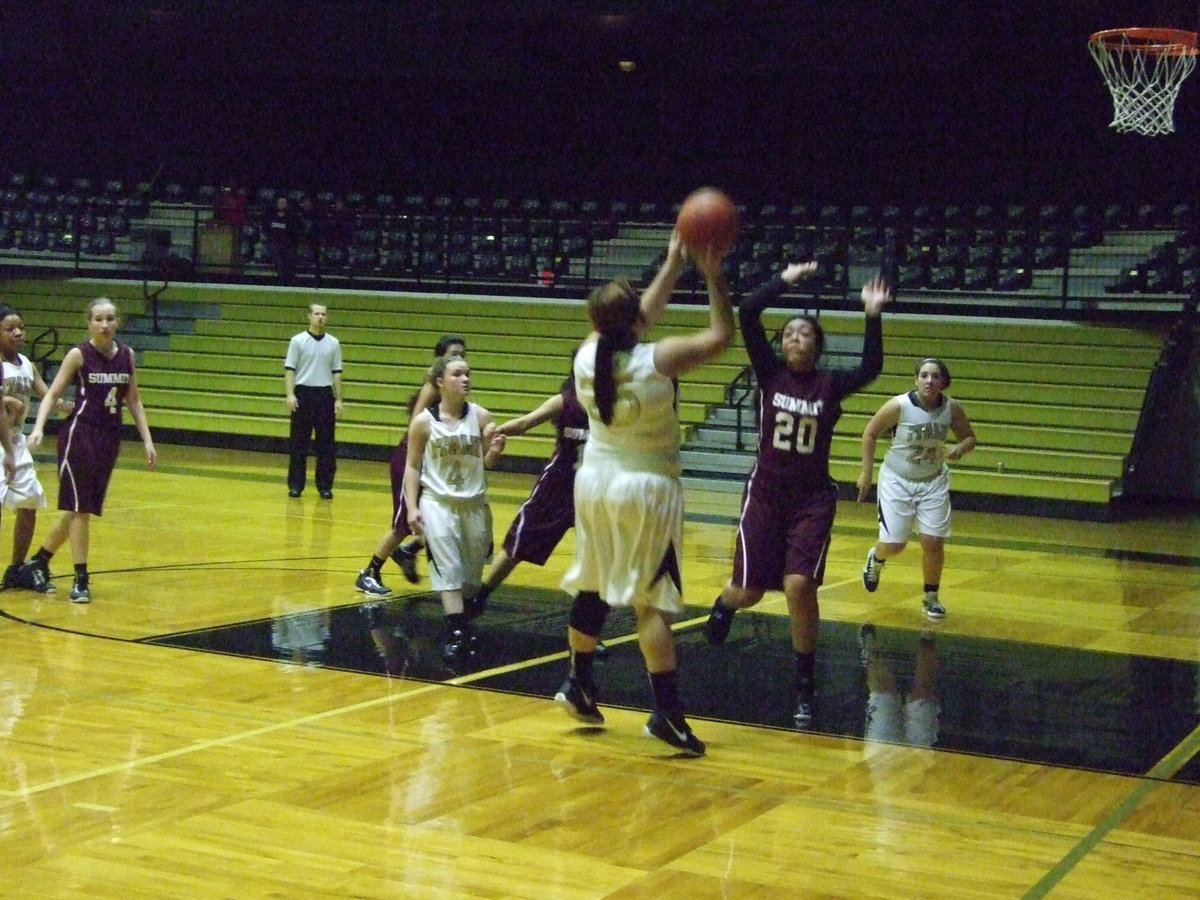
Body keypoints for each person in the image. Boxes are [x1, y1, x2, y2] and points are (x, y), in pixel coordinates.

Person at [557, 229, 733, 758]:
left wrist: (674, 264)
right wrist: (711, 275)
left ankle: (579, 682)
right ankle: (667, 715)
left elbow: (635, 319)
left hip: (593, 479)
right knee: (650, 602)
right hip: (646, 486)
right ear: (635, 319)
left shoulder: (588, 352)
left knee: (594, 581)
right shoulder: (661, 359)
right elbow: (722, 334)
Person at [703, 262, 892, 728]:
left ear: (817, 345)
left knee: (798, 586)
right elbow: (747, 313)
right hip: (765, 493)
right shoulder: (769, 375)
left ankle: (805, 686)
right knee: (746, 592)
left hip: (811, 499)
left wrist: (872, 315)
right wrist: (783, 279)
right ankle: (724, 604)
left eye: (805, 333)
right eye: (788, 333)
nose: (795, 338)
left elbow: (872, 366)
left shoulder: (830, 384)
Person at [20, 297, 156, 603]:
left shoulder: (127, 356)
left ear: (117, 321)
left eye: (110, 318)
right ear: (89, 323)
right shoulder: (78, 354)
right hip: (79, 436)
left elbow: (133, 399)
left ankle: (39, 561)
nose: (105, 324)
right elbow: (52, 393)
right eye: (98, 319)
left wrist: (147, 439)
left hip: (110, 438)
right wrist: (39, 427)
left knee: (82, 507)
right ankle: (81, 579)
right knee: (81, 509)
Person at [403, 354, 506, 667]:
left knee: (471, 577)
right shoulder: (423, 422)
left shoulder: (481, 416)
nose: (465, 379)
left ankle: (463, 620)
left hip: (474, 504)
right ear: (440, 382)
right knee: (447, 569)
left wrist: (495, 451)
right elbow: (412, 465)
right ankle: (457, 632)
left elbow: (487, 463)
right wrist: (411, 508)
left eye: (467, 374)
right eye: (457, 374)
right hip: (437, 503)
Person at [857, 356, 977, 619]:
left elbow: (970, 437)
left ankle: (931, 597)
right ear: (916, 379)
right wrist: (866, 472)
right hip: (897, 479)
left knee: (933, 542)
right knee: (895, 544)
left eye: (935, 376)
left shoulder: (951, 408)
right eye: (924, 375)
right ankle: (876, 558)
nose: (929, 380)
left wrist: (960, 448)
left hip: (933, 479)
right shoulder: (899, 405)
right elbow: (870, 433)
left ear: (944, 382)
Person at [467, 368, 588, 617]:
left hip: (597, 488)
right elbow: (525, 423)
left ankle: (586, 625)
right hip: (558, 484)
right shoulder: (566, 400)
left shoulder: (616, 403)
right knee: (519, 542)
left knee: (598, 558)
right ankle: (481, 596)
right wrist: (497, 431)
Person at [354, 335, 466, 596]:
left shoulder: (456, 391)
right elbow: (416, 421)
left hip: (432, 460)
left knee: (443, 516)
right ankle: (369, 572)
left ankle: (410, 550)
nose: (459, 358)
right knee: (403, 523)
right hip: (410, 459)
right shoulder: (433, 387)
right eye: (453, 354)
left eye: (462, 354)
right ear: (440, 359)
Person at [0, 305, 72, 592]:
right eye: (10, 328)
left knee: (29, 502)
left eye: (21, 327)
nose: (18, 332)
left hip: (15, 440)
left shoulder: (26, 364)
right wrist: (6, 401)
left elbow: (47, 394)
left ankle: (16, 568)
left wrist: (64, 405)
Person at [284, 303, 342, 499]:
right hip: (303, 393)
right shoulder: (297, 341)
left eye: (323, 314)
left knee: (326, 444)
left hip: (325, 394)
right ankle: (295, 485)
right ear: (309, 316)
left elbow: (336, 373)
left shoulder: (333, 343)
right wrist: (290, 394)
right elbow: (290, 369)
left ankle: (325, 486)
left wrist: (338, 399)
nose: (320, 317)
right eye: (316, 313)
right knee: (299, 443)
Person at [264, 195, 298, 285]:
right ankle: (281, 282)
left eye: (283, 203)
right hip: (272, 243)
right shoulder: (270, 216)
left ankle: (289, 282)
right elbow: (266, 230)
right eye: (280, 203)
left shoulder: (291, 218)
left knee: (289, 258)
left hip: (286, 245)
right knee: (279, 260)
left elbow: (293, 233)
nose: (281, 205)